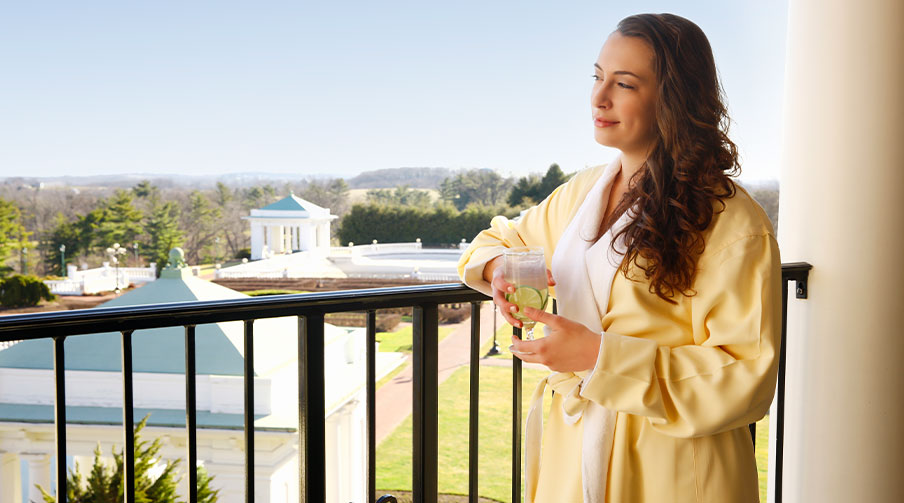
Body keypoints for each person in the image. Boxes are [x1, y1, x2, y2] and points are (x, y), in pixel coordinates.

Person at [457, 13, 780, 503]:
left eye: (624, 84)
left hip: (675, 469)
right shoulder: (583, 191)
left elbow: (745, 376)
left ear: (673, 100)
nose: (599, 97)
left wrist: (598, 357)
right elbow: (497, 238)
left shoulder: (731, 222)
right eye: (597, 76)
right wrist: (497, 266)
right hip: (575, 448)